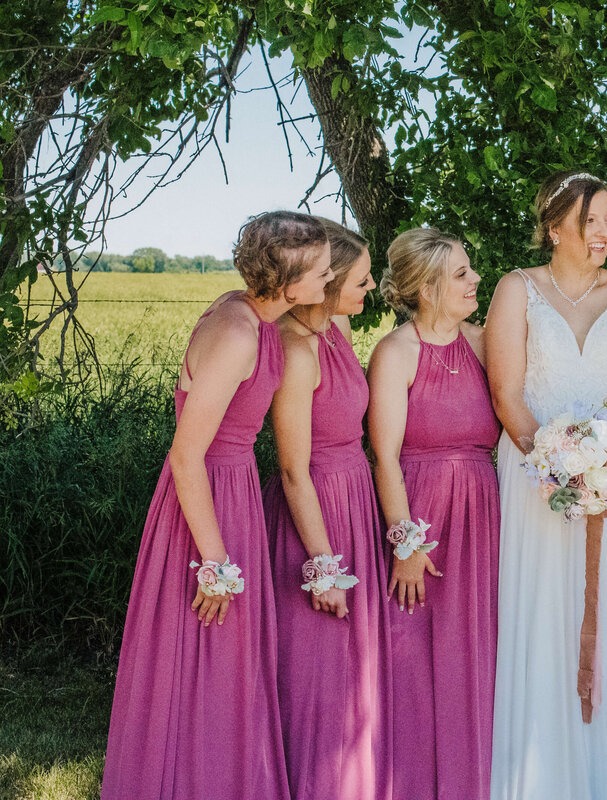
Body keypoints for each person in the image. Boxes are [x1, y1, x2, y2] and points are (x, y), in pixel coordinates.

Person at [101, 211, 332, 800]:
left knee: (227, 667)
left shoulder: (255, 312)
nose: (329, 277)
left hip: (233, 493)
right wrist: (215, 563)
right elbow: (185, 455)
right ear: (289, 279)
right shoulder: (236, 333)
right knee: (203, 658)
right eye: (323, 269)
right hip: (205, 501)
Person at [487, 170, 607, 800]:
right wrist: (554, 463)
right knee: (542, 611)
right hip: (536, 473)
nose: (605, 232)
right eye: (592, 220)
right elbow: (506, 394)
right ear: (556, 224)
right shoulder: (516, 290)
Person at [368, 227, 500, 799]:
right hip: (421, 515)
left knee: (479, 654)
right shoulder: (396, 353)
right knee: (415, 658)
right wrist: (406, 545)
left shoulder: (484, 342)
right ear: (425, 288)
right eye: (461, 274)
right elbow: (385, 456)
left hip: (482, 514)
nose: (476, 280)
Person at [264, 219, 389, 800]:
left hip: (354, 497)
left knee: (356, 673)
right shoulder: (295, 351)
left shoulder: (335, 328)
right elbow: (293, 470)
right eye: (360, 281)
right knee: (319, 674)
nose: (371, 291)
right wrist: (324, 566)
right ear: (328, 282)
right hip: (316, 514)